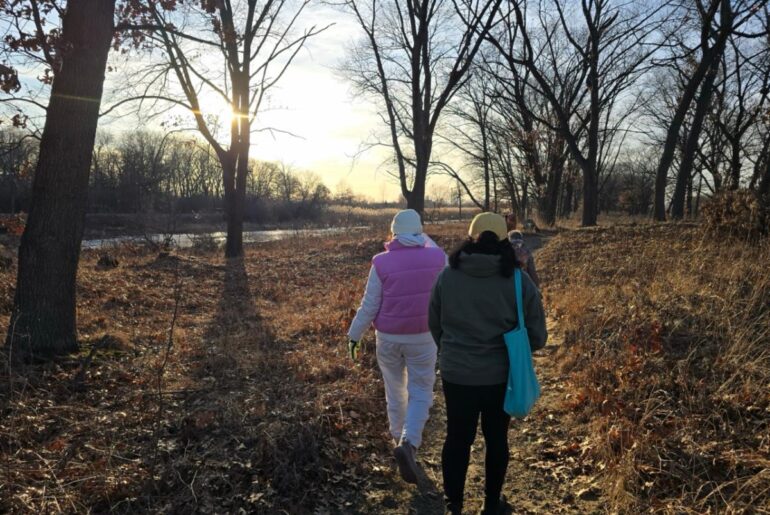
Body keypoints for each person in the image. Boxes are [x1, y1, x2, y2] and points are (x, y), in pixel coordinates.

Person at [429, 212, 547, 515]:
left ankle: (453, 503)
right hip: (500, 376)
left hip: (457, 373)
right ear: (505, 241)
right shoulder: (518, 280)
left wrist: (453, 349)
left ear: (471, 238)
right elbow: (539, 335)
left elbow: (434, 323)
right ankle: (491, 505)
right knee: (496, 439)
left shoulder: (447, 276)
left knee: (457, 437)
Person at [347, 209, 447, 484]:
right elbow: (448, 291)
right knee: (421, 391)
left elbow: (369, 305)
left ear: (393, 233)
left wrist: (354, 336)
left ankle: (397, 440)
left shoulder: (381, 262)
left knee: (395, 390)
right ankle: (409, 444)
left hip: (388, 338)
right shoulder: (438, 258)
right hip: (423, 337)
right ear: (420, 231)